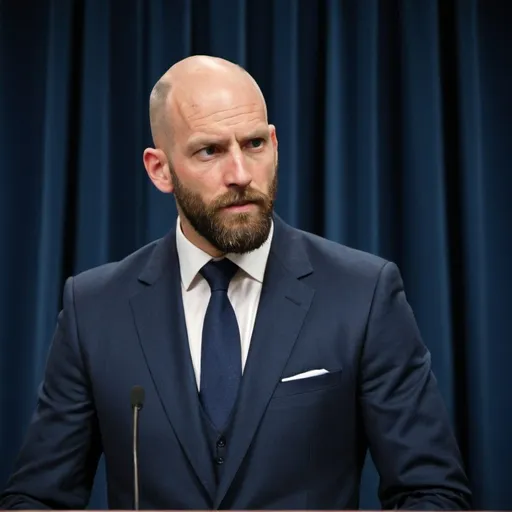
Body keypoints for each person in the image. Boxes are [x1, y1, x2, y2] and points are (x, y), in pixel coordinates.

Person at [0, 55, 471, 510]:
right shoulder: (94, 307)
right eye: (210, 150)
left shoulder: (364, 293)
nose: (241, 175)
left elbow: (432, 492)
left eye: (253, 145)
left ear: (274, 143)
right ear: (159, 168)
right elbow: (37, 497)